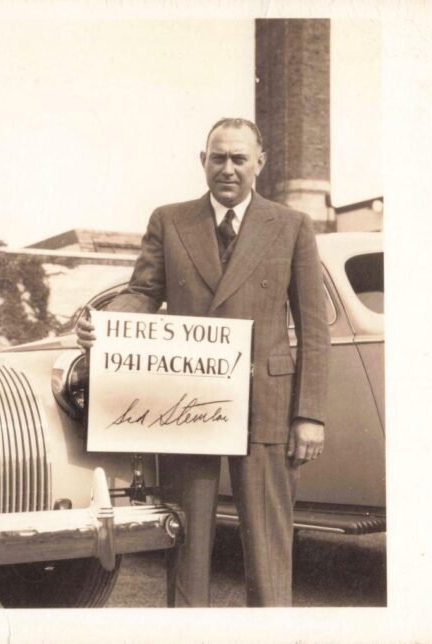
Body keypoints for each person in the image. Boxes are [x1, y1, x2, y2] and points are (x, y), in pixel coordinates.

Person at [77, 117, 329, 607]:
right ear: (202, 161)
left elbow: (314, 327)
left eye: (239, 158)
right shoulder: (170, 221)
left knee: (268, 550)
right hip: (188, 407)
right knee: (187, 544)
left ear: (260, 162)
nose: (228, 169)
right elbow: (142, 294)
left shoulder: (293, 226)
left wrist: (310, 414)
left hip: (267, 405)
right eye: (218, 158)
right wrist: (101, 326)